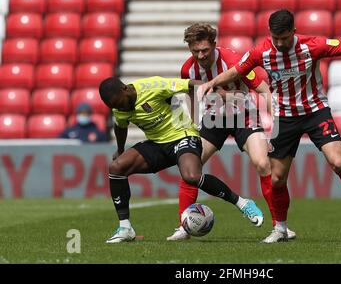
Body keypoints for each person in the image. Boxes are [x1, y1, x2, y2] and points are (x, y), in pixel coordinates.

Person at [197, 9, 341, 243]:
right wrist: (211, 83)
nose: (280, 43)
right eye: (276, 38)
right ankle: (281, 229)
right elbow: (236, 70)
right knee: (277, 179)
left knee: (337, 162)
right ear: (270, 34)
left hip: (315, 111)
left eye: (285, 37)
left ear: (293, 31)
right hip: (285, 118)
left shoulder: (311, 45)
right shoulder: (261, 51)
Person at [167, 23, 296, 241]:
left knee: (264, 164)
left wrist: (275, 125)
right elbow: (190, 95)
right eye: (195, 51)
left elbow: (263, 90)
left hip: (244, 116)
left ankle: (279, 227)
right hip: (213, 120)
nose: (200, 55)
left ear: (214, 45)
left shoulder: (233, 61)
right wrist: (193, 124)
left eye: (205, 50)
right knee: (189, 165)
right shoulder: (187, 69)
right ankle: (184, 225)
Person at [98, 76, 264, 243]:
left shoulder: (153, 86)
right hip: (157, 144)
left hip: (183, 136)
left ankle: (242, 203)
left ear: (126, 89)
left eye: (121, 103)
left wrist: (215, 92)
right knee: (116, 167)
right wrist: (120, 150)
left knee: (191, 176)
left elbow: (192, 84)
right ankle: (125, 228)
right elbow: (120, 126)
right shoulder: (118, 108)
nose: (121, 108)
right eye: (115, 106)